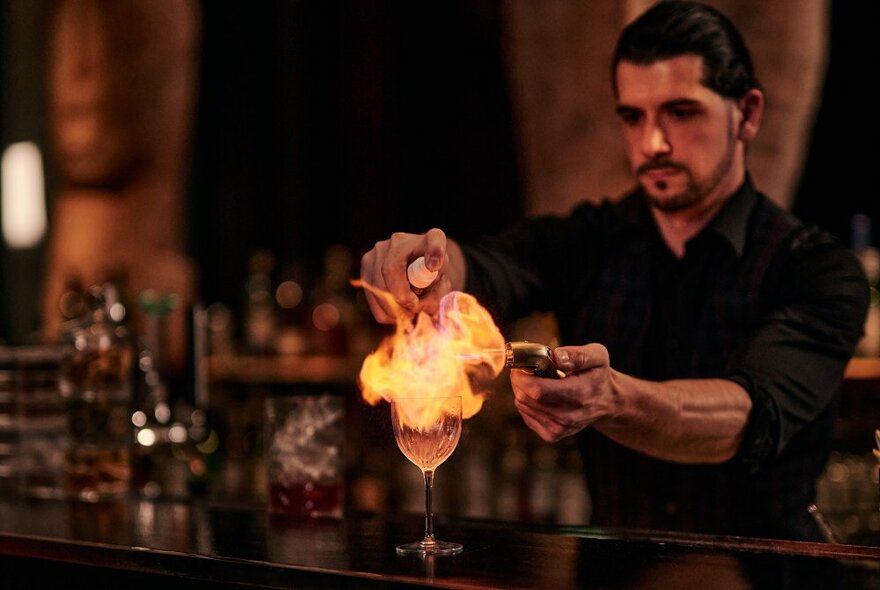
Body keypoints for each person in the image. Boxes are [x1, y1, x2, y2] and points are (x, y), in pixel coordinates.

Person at [360, 1, 869, 542]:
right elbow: (489, 269)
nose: (653, 143)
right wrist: (427, 268)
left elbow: (748, 419)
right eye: (634, 117)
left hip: (767, 575)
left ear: (747, 114)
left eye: (681, 112)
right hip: (615, 575)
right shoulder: (589, 240)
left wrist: (614, 399)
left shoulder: (818, 270)